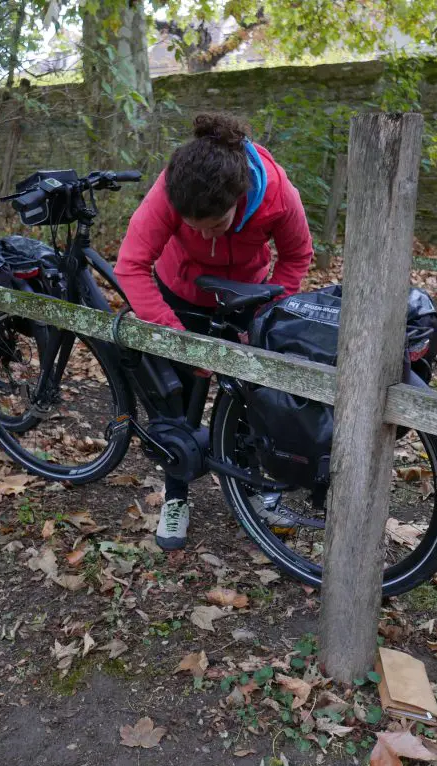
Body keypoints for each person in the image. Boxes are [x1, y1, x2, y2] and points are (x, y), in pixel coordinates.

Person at [115, 112, 314, 551]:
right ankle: (176, 497)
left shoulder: (279, 195)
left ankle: (260, 488)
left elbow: (297, 256)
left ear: (240, 198)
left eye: (217, 225)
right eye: (194, 227)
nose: (205, 234)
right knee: (178, 402)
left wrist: (267, 313)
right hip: (179, 293)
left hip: (247, 293)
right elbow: (130, 264)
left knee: (255, 397)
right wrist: (177, 340)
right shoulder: (171, 187)